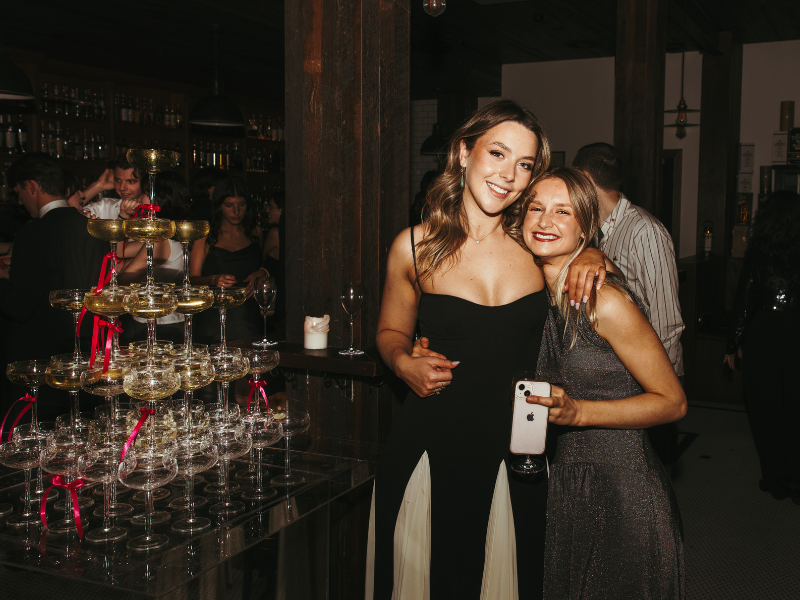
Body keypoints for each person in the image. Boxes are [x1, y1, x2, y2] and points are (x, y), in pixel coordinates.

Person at [370, 99, 607, 599]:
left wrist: (592, 252)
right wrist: (402, 361)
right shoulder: (413, 246)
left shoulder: (535, 246)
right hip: (432, 441)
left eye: (524, 165)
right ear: (462, 153)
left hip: (515, 450)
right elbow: (390, 332)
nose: (509, 176)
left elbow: (575, 234)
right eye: (497, 154)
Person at [523, 167, 686, 599]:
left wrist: (579, 412)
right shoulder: (532, 293)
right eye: (535, 208)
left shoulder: (602, 300)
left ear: (585, 228)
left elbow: (673, 403)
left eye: (563, 211)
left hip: (622, 487)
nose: (544, 221)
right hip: (565, 483)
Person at [573, 142, 685, 469]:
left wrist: (662, 390)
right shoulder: (592, 231)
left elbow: (666, 322)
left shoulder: (645, 231)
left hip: (645, 381)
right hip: (611, 380)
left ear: (583, 177)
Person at [0, 154, 108, 420]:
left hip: (43, 361)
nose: (20, 201)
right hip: (88, 351)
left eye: (19, 193)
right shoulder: (95, 228)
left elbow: (20, 306)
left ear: (32, 187)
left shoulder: (32, 232)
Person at [724, 190, 800, 503]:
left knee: (765, 409)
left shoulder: (760, 249)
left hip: (764, 333)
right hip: (796, 330)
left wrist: (734, 342)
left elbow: (745, 298)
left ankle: (775, 479)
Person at [118, 171, 192, 344]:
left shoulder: (160, 240)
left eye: (145, 192)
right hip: (166, 321)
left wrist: (121, 269)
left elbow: (123, 280)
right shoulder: (171, 233)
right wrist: (124, 216)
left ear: (157, 199)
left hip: (159, 325)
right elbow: (121, 251)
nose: (140, 196)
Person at [189, 176, 266, 343]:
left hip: (249, 319)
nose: (236, 212)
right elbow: (191, 280)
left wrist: (261, 272)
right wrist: (213, 279)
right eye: (229, 206)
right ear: (219, 206)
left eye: (241, 205)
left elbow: (265, 266)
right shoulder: (205, 236)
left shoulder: (255, 232)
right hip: (214, 322)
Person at [83, 156, 149, 219]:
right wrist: (98, 186)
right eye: (118, 180)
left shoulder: (154, 210)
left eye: (131, 182)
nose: (122, 188)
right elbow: (73, 214)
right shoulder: (104, 207)